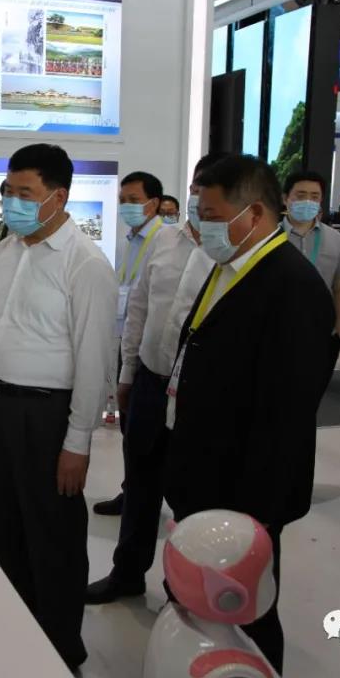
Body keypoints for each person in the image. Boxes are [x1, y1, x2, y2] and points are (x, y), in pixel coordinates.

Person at [163, 155, 334, 674]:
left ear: (254, 213)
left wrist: (255, 512)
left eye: (212, 216)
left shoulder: (292, 286)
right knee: (200, 597)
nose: (202, 227)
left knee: (246, 609)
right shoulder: (232, 266)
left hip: (243, 489)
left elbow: (287, 411)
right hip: (205, 470)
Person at [0, 144, 116, 670]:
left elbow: (94, 360)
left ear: (58, 197)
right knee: (7, 527)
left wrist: (78, 442)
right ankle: (17, 632)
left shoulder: (85, 263)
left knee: (53, 534)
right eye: (8, 191)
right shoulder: (5, 250)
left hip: (47, 416)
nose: (13, 202)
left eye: (25, 193)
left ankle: (61, 647)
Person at [86, 152, 225, 604]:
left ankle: (184, 589)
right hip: (150, 380)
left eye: (209, 188)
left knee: (190, 494)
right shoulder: (164, 240)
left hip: (198, 395)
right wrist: (127, 374)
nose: (198, 196)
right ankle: (127, 573)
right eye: (196, 186)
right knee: (140, 483)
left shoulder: (232, 252)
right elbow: (140, 309)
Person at [93, 171, 165, 517]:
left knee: (143, 431)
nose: (127, 206)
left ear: (154, 203)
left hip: (147, 348)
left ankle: (142, 495)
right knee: (129, 428)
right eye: (123, 200)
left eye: (134, 200)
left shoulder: (163, 240)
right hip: (125, 341)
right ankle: (131, 491)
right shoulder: (130, 240)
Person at [281, 171, 340, 339]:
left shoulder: (336, 239)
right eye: (300, 195)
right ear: (285, 198)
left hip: (320, 326)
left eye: (314, 196)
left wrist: (339, 329)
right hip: (277, 326)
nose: (308, 201)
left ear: (321, 201)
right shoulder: (269, 237)